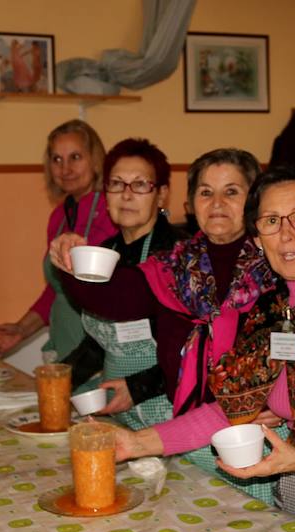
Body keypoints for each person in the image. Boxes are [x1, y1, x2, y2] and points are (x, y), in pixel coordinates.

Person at [109, 163, 295, 532]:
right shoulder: (271, 310)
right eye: (271, 221)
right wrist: (136, 443)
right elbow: (234, 406)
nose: (286, 234)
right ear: (257, 237)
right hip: (291, 481)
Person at [50, 148, 278, 501]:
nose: (216, 202)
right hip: (184, 434)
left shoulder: (275, 267)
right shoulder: (174, 267)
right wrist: (69, 260)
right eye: (205, 192)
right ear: (190, 203)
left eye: (231, 191)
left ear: (254, 201)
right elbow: (113, 299)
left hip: (252, 442)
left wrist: (282, 401)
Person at [76, 138, 185, 429]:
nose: (126, 195)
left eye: (139, 185)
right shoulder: (101, 254)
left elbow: (192, 353)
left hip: (169, 415)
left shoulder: (180, 257)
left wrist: (137, 388)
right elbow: (98, 343)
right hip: (119, 413)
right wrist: (58, 378)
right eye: (116, 184)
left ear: (161, 195)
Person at [0, 119, 117, 373]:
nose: (65, 168)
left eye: (75, 157)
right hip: (65, 337)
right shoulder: (59, 216)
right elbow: (57, 289)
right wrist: (21, 329)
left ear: (95, 160)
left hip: (100, 345)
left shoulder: (113, 209)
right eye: (57, 159)